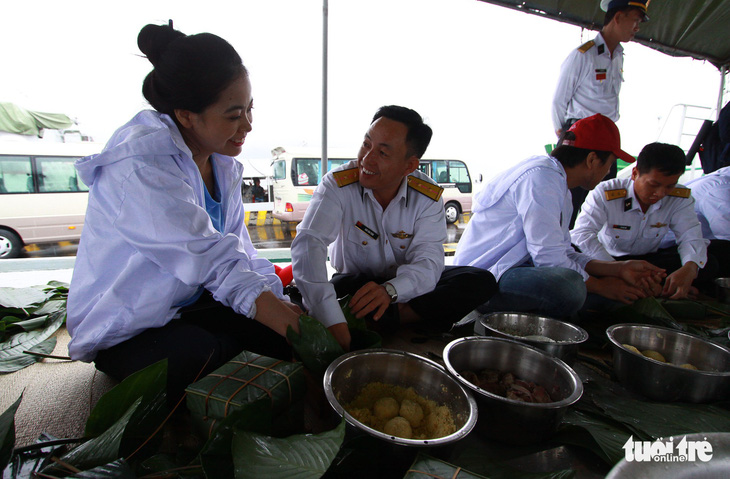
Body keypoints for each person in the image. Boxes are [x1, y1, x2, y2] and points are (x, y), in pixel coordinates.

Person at [66, 23, 301, 404]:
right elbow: (212, 262)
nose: (248, 125)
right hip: (132, 323)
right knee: (202, 356)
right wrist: (293, 325)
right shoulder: (143, 165)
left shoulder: (222, 163)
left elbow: (239, 252)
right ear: (186, 115)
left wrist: (286, 308)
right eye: (234, 114)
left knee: (274, 332)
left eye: (250, 109)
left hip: (189, 304)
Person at [291, 105, 497, 351]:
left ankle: (381, 318)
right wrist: (331, 319)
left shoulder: (427, 197)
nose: (366, 159)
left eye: (383, 153)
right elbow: (308, 244)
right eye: (366, 145)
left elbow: (428, 263)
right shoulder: (338, 185)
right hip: (355, 286)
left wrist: (390, 291)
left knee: (479, 280)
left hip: (401, 288)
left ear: (409, 166)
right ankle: (396, 318)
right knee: (336, 291)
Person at [454, 114, 664, 319]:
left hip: (513, 271)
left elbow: (563, 252)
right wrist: (601, 285)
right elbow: (550, 260)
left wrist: (617, 269)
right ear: (592, 159)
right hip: (482, 280)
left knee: (606, 293)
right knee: (570, 288)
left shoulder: (558, 185)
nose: (609, 171)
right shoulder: (542, 179)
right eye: (609, 163)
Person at [551, 0, 655, 227]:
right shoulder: (584, 55)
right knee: (569, 198)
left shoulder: (618, 56)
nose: (637, 27)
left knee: (603, 197)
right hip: (580, 134)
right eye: (634, 20)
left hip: (606, 135)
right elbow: (559, 99)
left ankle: (590, 248)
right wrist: (565, 135)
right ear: (618, 17)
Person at [572, 143, 713, 299]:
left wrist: (690, 269)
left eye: (670, 186)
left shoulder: (679, 199)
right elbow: (582, 234)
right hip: (609, 260)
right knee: (573, 260)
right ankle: (659, 289)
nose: (660, 193)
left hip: (650, 264)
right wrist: (616, 270)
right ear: (635, 173)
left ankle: (658, 286)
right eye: (654, 185)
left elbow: (690, 235)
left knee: (707, 262)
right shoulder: (606, 193)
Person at [673, 166, 730, 278]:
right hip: (678, 248)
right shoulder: (718, 189)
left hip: (696, 246)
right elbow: (727, 234)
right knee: (725, 252)